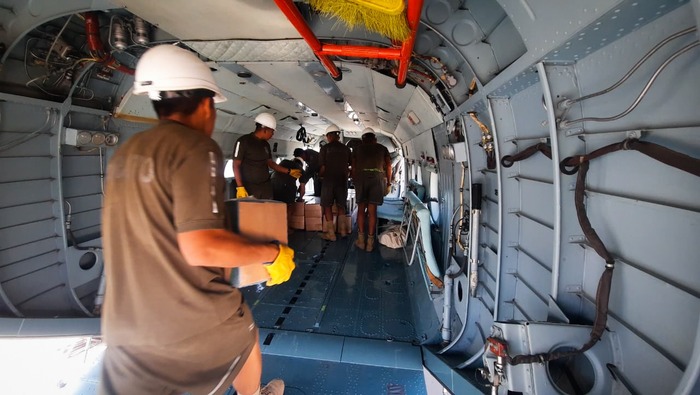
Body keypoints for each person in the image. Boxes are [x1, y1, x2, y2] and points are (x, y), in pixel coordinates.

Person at [100, 45, 293, 395]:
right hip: (186, 321)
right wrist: (271, 253)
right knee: (245, 333)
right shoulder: (194, 146)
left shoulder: (126, 153)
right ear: (206, 106)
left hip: (124, 325)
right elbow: (200, 246)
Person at [233, 113, 302, 199]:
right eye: (272, 131)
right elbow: (236, 165)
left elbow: (271, 163)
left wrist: (289, 171)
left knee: (268, 210)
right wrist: (240, 187)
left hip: (265, 187)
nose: (272, 135)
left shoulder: (266, 145)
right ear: (265, 129)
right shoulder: (243, 142)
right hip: (249, 187)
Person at [352, 128, 392, 252]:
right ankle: (370, 243)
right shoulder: (382, 148)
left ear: (363, 139)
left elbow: (353, 167)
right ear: (375, 139)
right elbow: (389, 166)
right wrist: (388, 183)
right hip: (377, 178)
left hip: (361, 179)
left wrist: (355, 181)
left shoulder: (357, 149)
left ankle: (361, 240)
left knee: (360, 210)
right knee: (372, 211)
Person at [318, 124, 352, 241]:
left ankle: (331, 234)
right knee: (341, 205)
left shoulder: (325, 148)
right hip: (342, 181)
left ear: (328, 136)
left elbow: (322, 167)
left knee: (327, 206)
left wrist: (320, 176)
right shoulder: (346, 149)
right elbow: (351, 165)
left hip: (328, 181)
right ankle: (343, 231)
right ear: (337, 136)